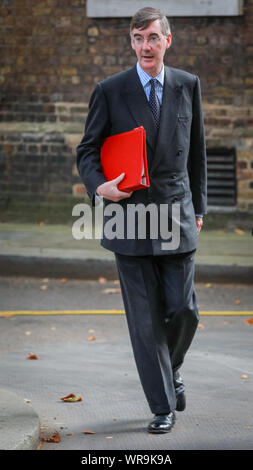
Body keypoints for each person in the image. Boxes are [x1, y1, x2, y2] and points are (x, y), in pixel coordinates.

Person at [76, 7, 207, 434]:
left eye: (152, 37)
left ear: (168, 40)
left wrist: (200, 208)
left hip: (176, 213)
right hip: (128, 219)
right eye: (137, 38)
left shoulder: (188, 86)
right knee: (145, 320)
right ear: (130, 42)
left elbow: (197, 153)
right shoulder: (110, 90)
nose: (145, 46)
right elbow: (87, 150)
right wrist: (100, 188)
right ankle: (162, 404)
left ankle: (173, 369)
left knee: (183, 310)